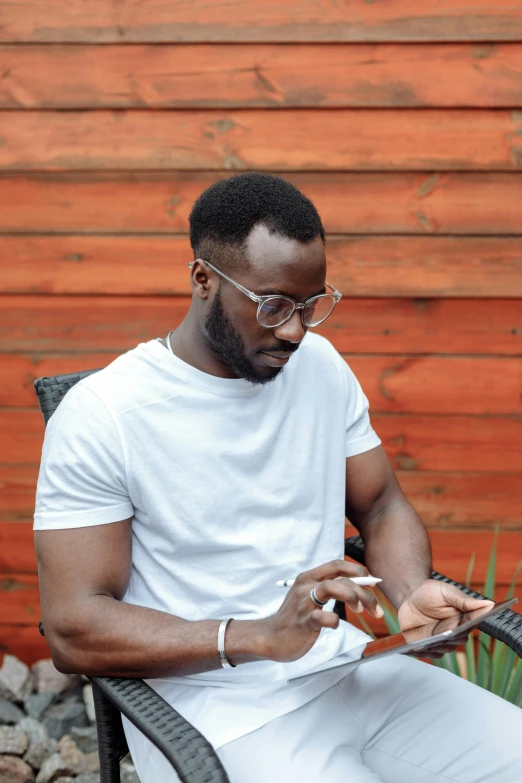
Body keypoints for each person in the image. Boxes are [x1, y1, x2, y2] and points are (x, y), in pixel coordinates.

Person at [34, 173, 522, 783]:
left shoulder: (320, 365)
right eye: (272, 305)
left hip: (350, 671)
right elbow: (74, 626)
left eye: (311, 304)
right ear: (203, 279)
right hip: (218, 714)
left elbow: (380, 505)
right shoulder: (105, 413)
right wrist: (257, 635)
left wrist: (411, 591)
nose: (294, 330)